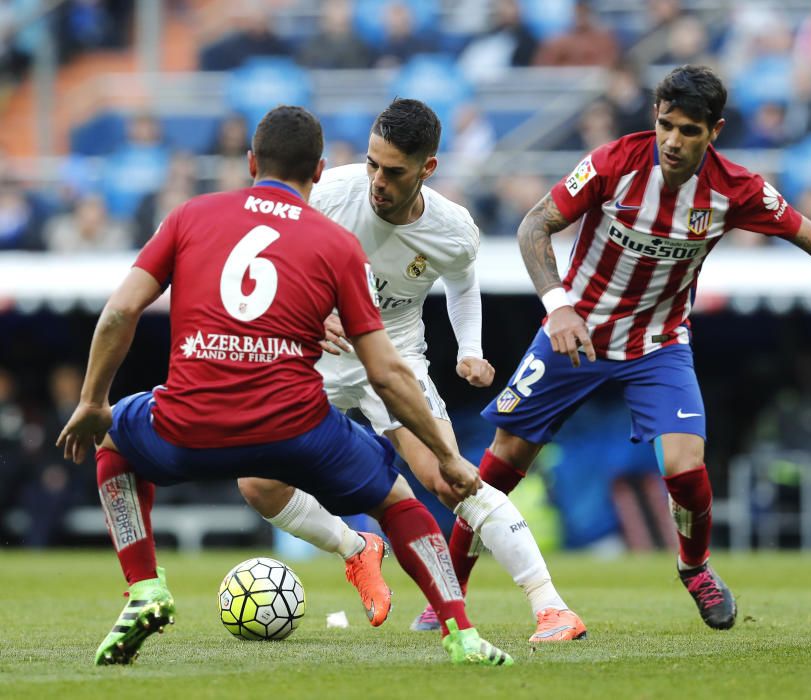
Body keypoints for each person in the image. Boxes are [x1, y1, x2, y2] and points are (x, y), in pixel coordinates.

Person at [445, 64, 811, 631]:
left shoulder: (734, 189)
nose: (673, 140)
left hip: (658, 344)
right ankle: (450, 593)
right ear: (654, 119)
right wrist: (557, 305)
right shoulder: (615, 162)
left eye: (689, 130)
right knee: (499, 468)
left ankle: (696, 569)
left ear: (714, 132)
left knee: (686, 469)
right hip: (576, 332)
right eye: (666, 124)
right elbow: (533, 225)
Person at [56, 105, 513, 668]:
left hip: (188, 422)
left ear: (250, 161)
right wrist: (447, 454)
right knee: (399, 500)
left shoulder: (189, 216)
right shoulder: (336, 242)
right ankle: (460, 632)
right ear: (320, 171)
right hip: (293, 429)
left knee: (113, 443)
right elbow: (386, 372)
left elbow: (119, 313)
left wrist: (91, 402)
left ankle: (144, 588)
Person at [237, 98, 586, 642]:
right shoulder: (329, 194)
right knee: (258, 483)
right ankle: (357, 549)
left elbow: (462, 282)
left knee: (448, 477)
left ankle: (551, 606)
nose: (377, 179)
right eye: (373, 163)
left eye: (393, 170)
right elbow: (269, 251)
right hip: (316, 356)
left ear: (428, 169)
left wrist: (467, 348)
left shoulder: (453, 228)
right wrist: (307, 308)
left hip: (393, 356)